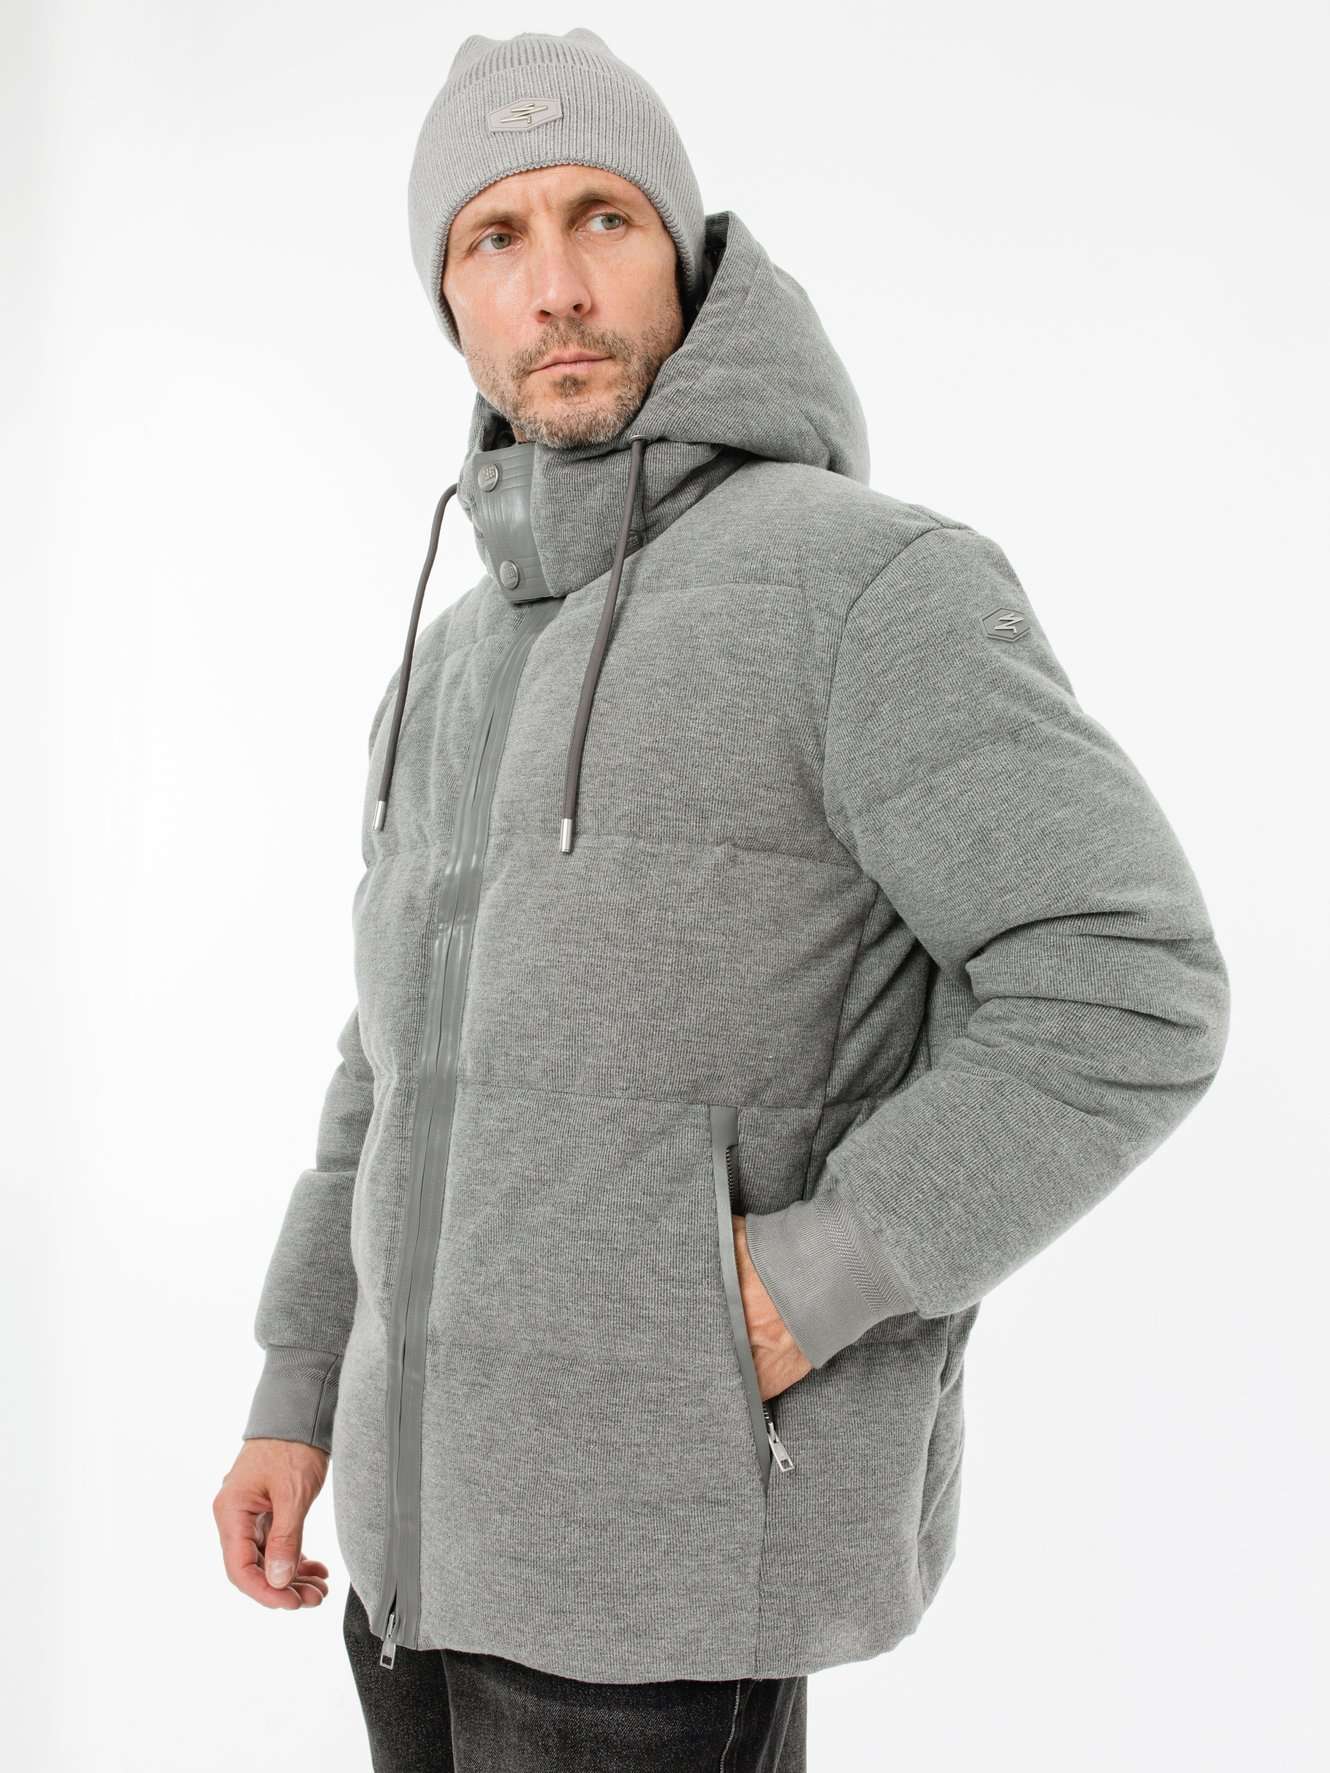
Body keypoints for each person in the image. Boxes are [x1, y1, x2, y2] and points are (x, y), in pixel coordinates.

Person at [212, 27, 1231, 1772]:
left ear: (683, 253)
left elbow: (1126, 982)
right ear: (448, 302)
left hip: (660, 1572)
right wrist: (298, 1392)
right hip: (409, 1549)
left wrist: (803, 1280)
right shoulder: (446, 663)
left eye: (601, 217)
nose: (555, 284)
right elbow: (384, 1065)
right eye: (494, 235)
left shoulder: (867, 588)